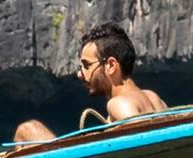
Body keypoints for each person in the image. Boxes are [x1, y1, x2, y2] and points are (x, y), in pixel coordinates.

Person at [14, 25, 167, 146]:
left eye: (87, 66)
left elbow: (144, 143)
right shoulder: (153, 97)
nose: (80, 74)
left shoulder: (118, 103)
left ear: (111, 66)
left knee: (27, 130)